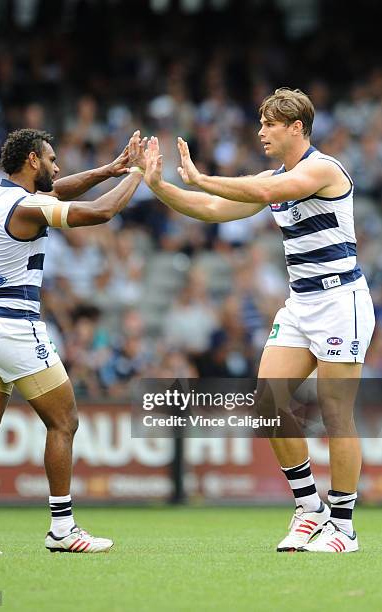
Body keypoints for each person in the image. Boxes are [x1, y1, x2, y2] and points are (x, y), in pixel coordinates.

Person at [141, 88, 375, 553]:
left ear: (296, 128)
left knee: (335, 414)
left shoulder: (322, 169)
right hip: (301, 305)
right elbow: (210, 210)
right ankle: (310, 511)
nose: (260, 131)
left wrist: (200, 176)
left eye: (269, 123)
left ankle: (344, 528)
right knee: (267, 405)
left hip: (340, 302)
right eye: (260, 122)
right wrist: (161, 187)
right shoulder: (278, 177)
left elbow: (264, 191)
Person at [0, 128, 145, 555]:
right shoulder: (29, 207)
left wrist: (110, 168)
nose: (57, 166)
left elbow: (57, 189)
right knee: (64, 420)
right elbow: (102, 213)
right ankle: (62, 528)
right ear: (33, 160)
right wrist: (139, 174)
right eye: (51, 159)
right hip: (16, 327)